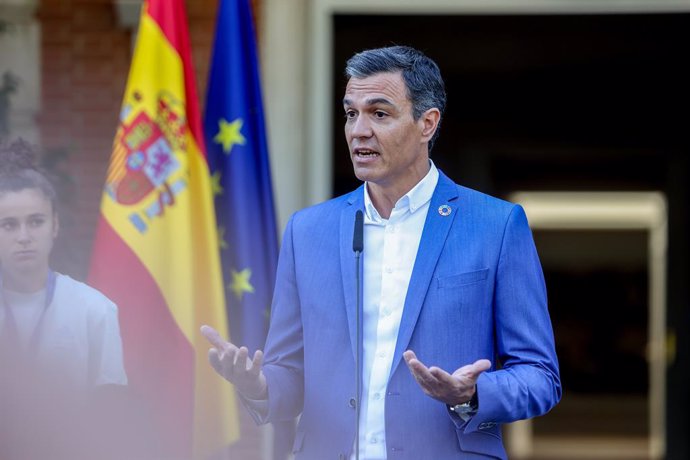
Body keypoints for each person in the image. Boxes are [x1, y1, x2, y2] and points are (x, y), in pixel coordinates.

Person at [202, 45, 561, 459]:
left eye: (379, 113)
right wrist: (260, 387)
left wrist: (473, 393)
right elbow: (291, 373)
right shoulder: (308, 230)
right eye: (351, 113)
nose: (358, 130)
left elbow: (540, 376)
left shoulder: (496, 226)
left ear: (427, 123)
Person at [0, 139, 128, 459]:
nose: (24, 237)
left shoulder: (95, 311)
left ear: (55, 225)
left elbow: (111, 423)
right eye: (8, 225)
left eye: (36, 221)